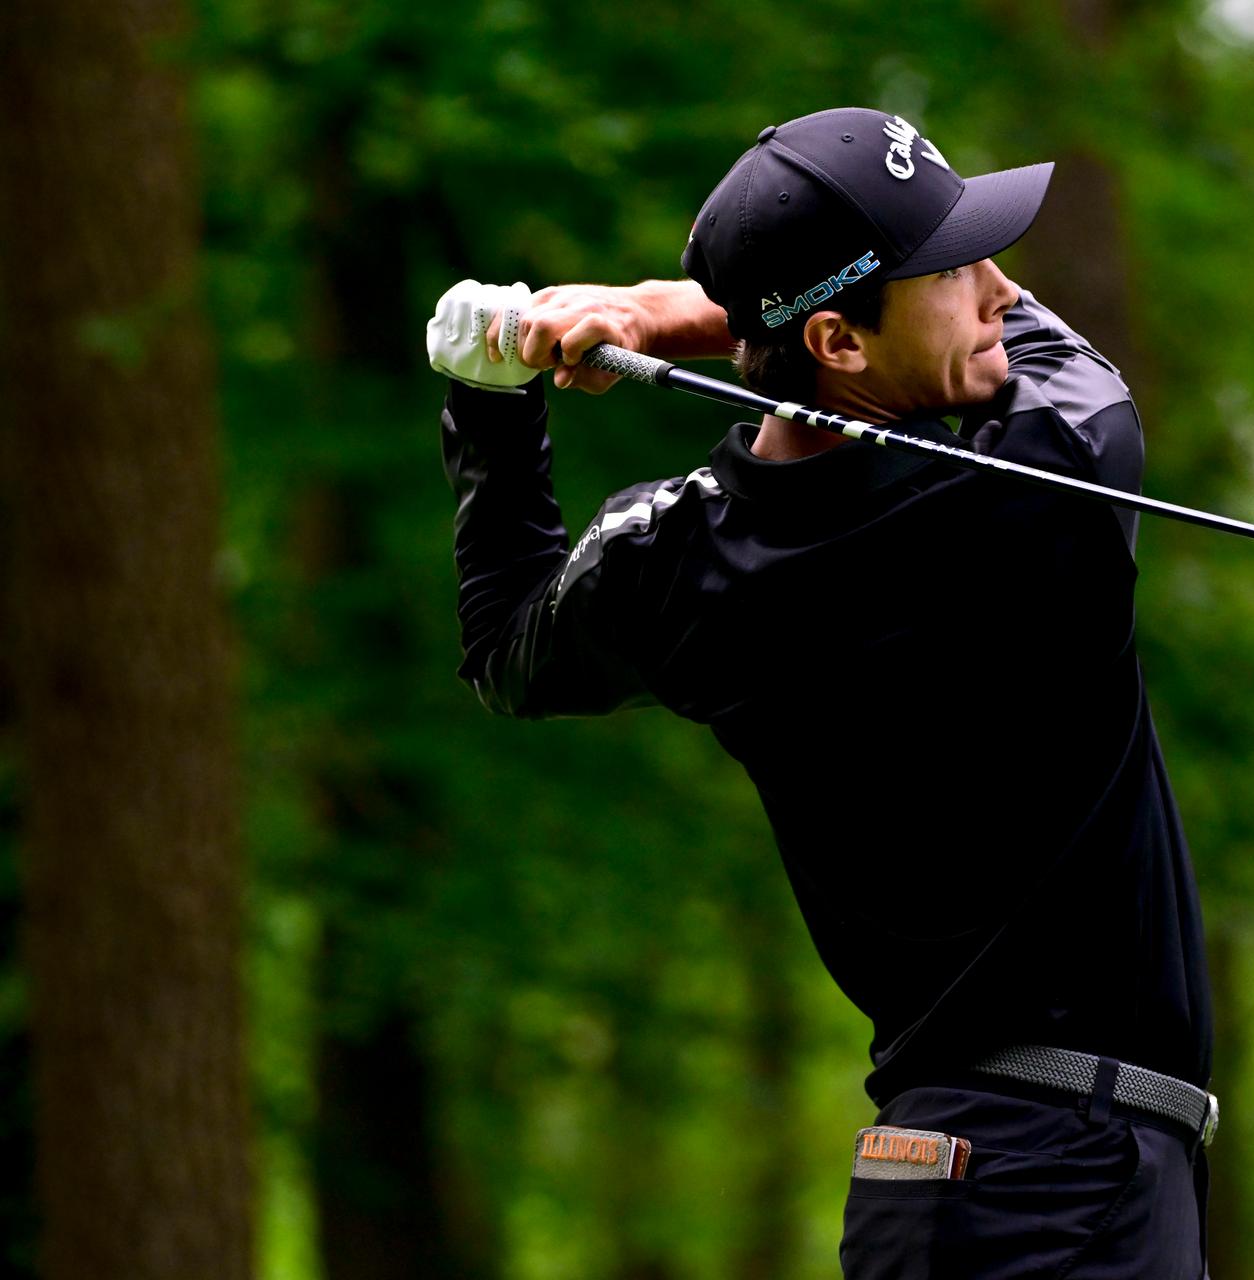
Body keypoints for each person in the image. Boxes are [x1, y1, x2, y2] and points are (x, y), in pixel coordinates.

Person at [427, 107, 1214, 1278]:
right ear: (843, 344)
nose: (1001, 290)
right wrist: (658, 310)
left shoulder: (678, 564)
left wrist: (489, 396)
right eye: (957, 269)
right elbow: (1047, 351)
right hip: (1069, 1176)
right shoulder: (1051, 475)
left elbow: (504, 641)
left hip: (934, 1184)